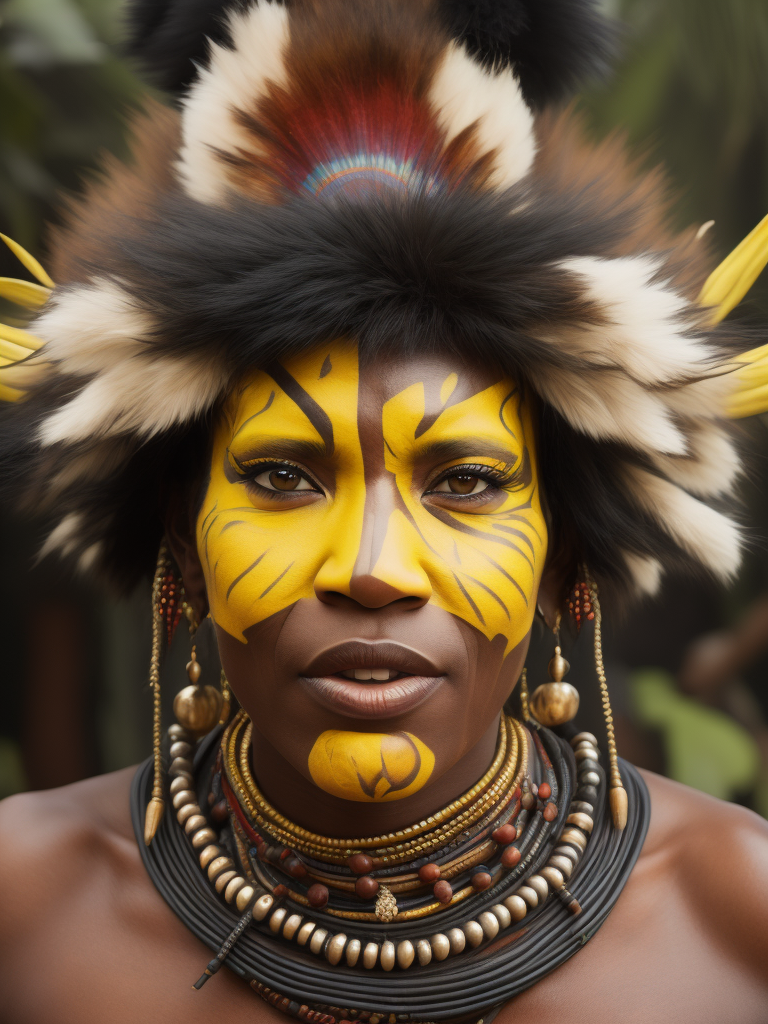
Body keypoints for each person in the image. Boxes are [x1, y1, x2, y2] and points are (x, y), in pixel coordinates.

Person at [1, 1, 767, 1021]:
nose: (373, 567)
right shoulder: (23, 913)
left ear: (564, 548)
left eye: (463, 480)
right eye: (281, 476)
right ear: (181, 538)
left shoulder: (738, 919)